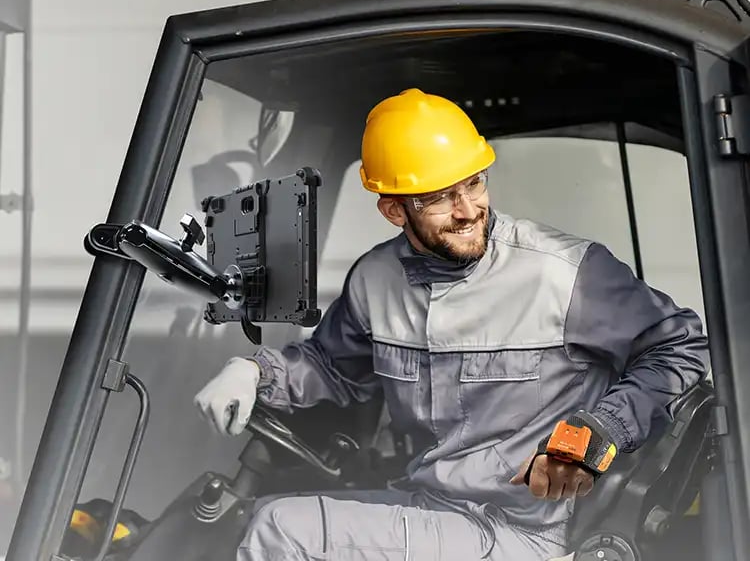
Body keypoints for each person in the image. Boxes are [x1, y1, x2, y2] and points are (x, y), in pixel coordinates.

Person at [194, 88, 709, 560]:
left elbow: (681, 347)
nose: (468, 210)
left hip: (522, 526)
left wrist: (601, 428)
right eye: (440, 197)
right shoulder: (376, 279)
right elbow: (333, 368)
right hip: (433, 504)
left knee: (279, 528)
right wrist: (253, 371)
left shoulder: (564, 272)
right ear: (395, 210)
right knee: (280, 506)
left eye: (474, 183)